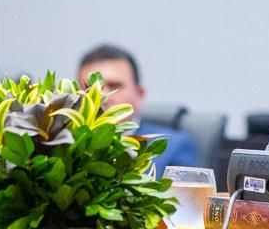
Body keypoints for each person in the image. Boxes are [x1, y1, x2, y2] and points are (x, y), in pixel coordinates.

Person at [78, 44, 200, 177]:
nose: (104, 97)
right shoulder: (69, 148)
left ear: (140, 94)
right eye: (92, 89)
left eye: (115, 86)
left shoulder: (175, 147)